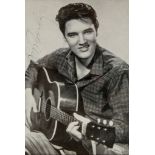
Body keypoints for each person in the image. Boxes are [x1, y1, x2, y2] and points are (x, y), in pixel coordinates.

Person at [25, 3, 129, 155]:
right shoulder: (61, 57)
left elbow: (126, 129)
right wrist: (28, 93)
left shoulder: (117, 71)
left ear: (96, 30)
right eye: (72, 35)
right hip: (56, 139)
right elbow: (34, 67)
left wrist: (89, 132)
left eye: (87, 32)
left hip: (94, 146)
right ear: (65, 37)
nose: (82, 41)